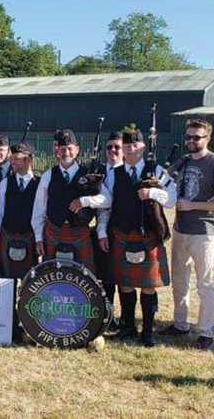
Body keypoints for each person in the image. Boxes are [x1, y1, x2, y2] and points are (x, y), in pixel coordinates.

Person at [99, 129, 176, 347]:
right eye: (127, 145)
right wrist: (102, 231)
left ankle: (148, 331)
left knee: (148, 286)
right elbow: (106, 205)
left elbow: (172, 198)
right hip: (121, 234)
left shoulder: (157, 170)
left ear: (143, 147)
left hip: (148, 236)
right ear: (122, 148)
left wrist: (152, 193)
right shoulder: (114, 174)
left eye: (136, 145)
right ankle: (128, 327)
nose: (131, 149)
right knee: (125, 284)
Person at [158, 119, 214, 350]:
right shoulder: (183, 161)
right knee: (179, 282)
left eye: (196, 137)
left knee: (204, 283)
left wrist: (193, 205)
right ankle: (180, 324)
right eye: (188, 136)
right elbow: (163, 181)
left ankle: (206, 332)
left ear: (207, 138)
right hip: (181, 229)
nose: (191, 141)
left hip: (205, 232)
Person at [32, 129, 109, 273]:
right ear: (57, 151)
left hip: (79, 232)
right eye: (62, 149)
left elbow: (107, 200)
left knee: (82, 279)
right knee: (52, 277)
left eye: (69, 148)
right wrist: (38, 238)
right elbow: (39, 209)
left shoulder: (89, 175)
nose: (66, 152)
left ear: (77, 150)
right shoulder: (48, 175)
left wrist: (84, 201)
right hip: (53, 232)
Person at [0, 142, 41, 279]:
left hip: (30, 236)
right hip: (7, 234)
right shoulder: (5, 183)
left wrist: (39, 238)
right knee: (7, 277)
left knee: (31, 279)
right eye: (11, 159)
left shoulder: (40, 182)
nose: (12, 162)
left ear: (29, 159)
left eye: (16, 159)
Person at [94, 131, 124, 330]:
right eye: (109, 147)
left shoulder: (128, 171)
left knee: (123, 278)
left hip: (123, 229)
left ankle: (126, 320)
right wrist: (101, 231)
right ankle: (108, 315)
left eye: (117, 147)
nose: (113, 150)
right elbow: (102, 208)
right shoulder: (99, 171)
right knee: (105, 275)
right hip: (104, 229)